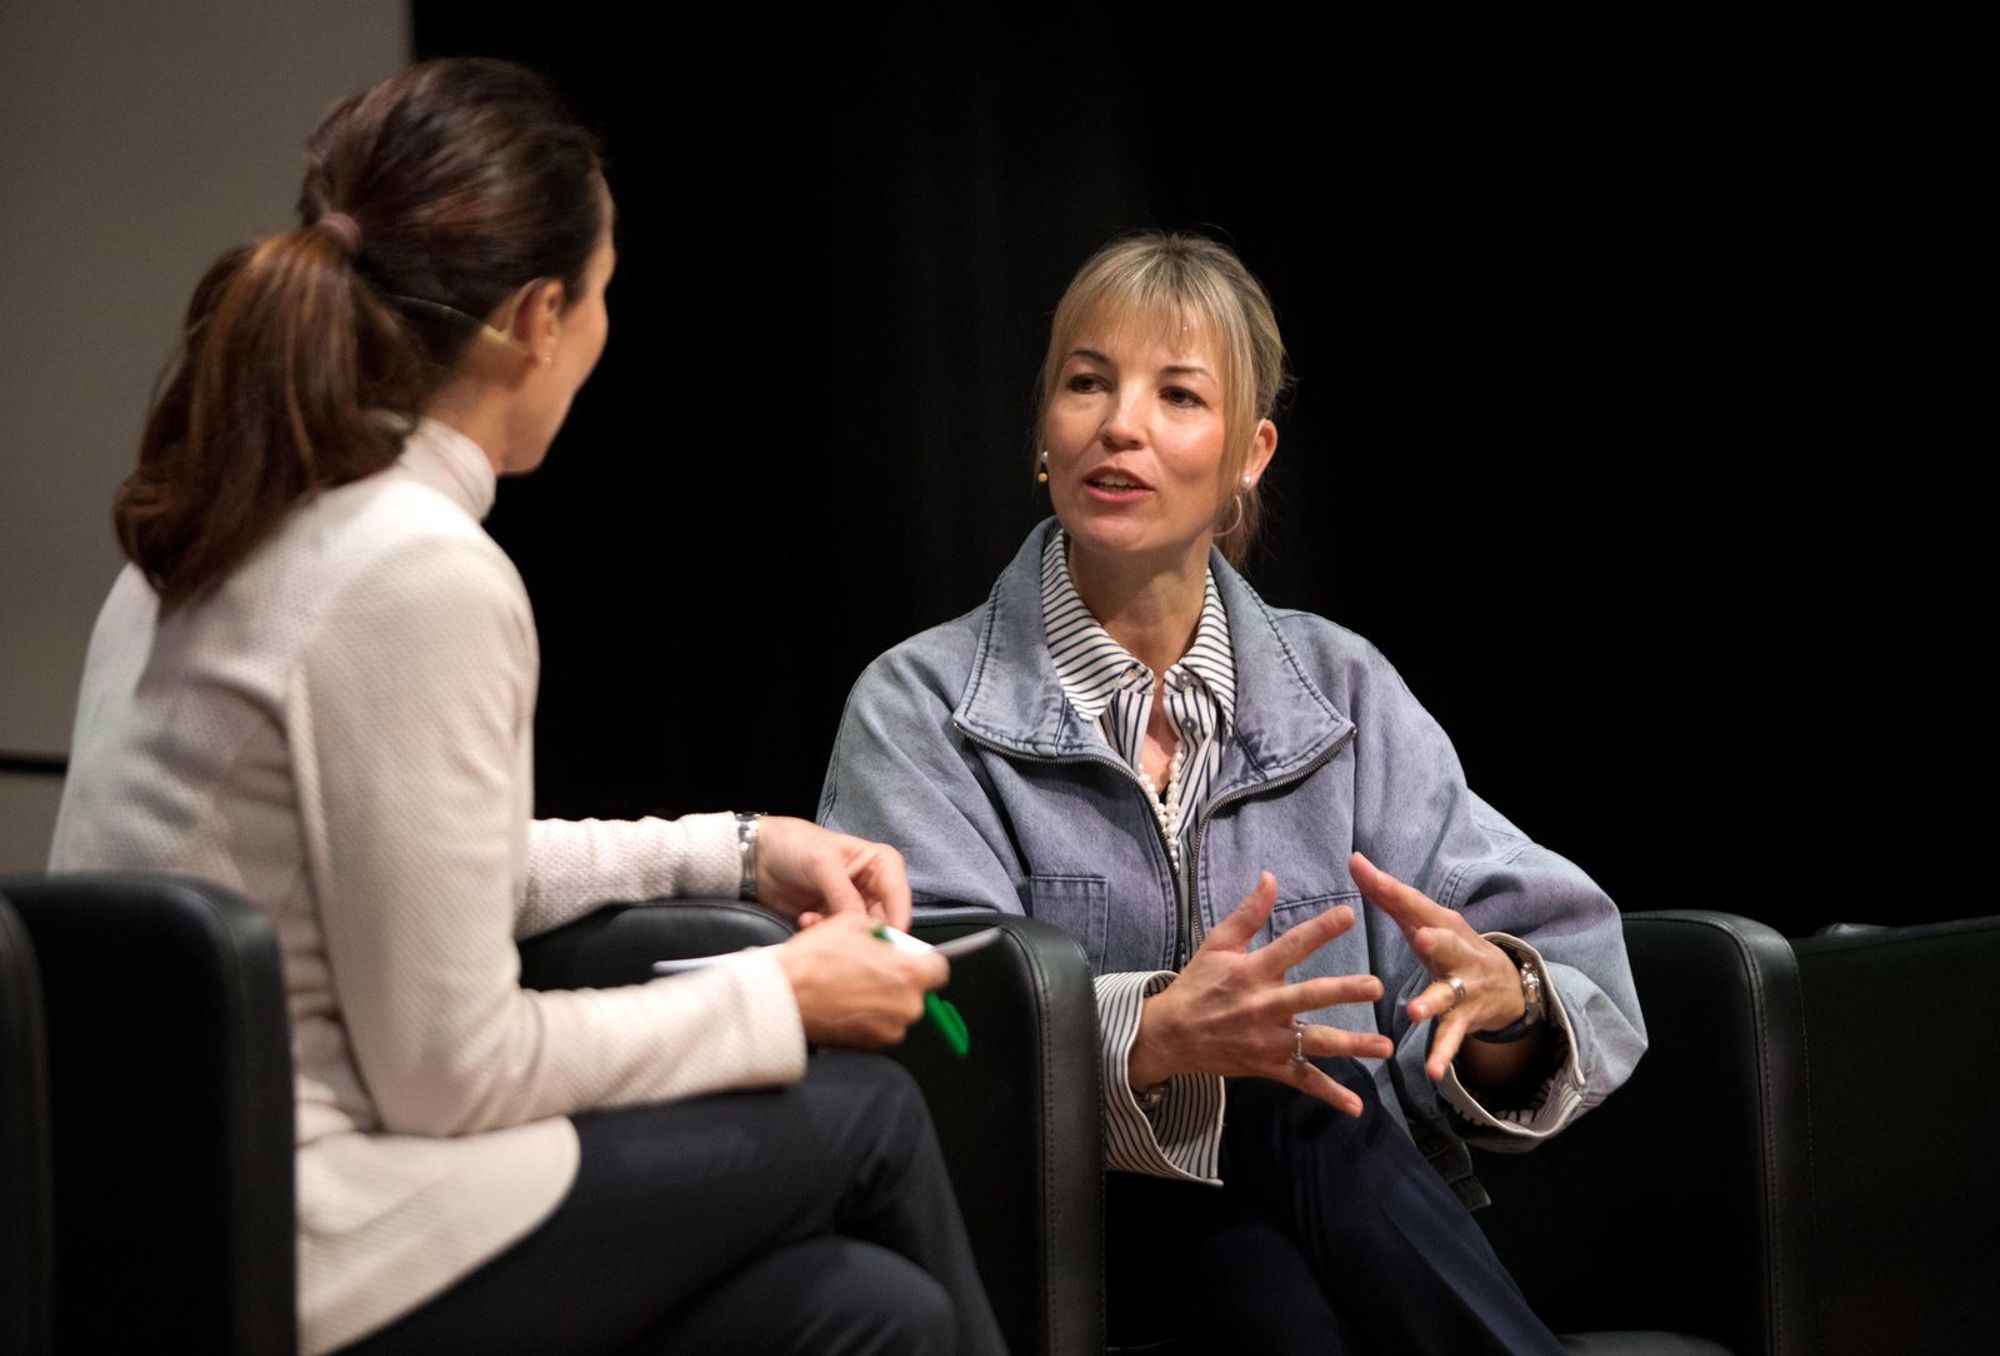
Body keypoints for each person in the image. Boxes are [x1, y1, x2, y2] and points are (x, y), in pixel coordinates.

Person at [49, 59, 1004, 1356]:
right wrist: (784, 996)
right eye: (604, 295)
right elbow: (456, 1073)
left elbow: (425, 873)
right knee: (874, 1118)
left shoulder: (219, 524)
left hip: (144, 1215)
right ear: (538, 317)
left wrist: (734, 849)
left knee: (865, 1313)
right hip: (303, 1233)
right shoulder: (415, 568)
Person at [819, 231, 1648, 1353]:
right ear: (1042, 434)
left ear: (1250, 453)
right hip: (1053, 1233)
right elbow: (933, 1023)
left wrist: (1498, 1004)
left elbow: (1551, 962)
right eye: (1086, 383)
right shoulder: (921, 706)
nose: (1120, 424)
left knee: (1272, 1246)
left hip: (1306, 1221)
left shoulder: (1340, 691)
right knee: (1280, 1097)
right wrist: (1147, 1036)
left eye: (1177, 395)